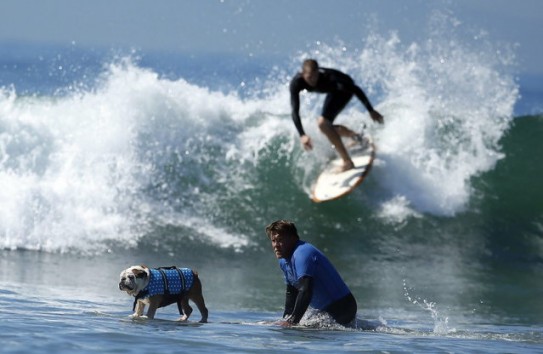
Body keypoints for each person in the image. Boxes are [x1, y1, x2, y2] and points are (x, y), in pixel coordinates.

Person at [290, 59, 384, 172]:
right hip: (333, 92)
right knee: (326, 127)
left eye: (315, 76)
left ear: (318, 73)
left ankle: (347, 162)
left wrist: (371, 110)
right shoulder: (296, 83)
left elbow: (355, 89)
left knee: (323, 124)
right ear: (302, 74)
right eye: (309, 77)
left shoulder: (329, 78)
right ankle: (356, 137)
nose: (313, 81)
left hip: (345, 90)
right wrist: (302, 135)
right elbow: (295, 111)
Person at [265, 220, 357, 326]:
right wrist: (286, 318)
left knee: (305, 328)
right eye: (273, 240)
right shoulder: (284, 259)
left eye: (280, 240)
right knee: (286, 325)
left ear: (293, 238)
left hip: (343, 307)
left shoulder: (302, 254)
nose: (276, 245)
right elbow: (291, 291)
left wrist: (292, 321)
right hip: (324, 310)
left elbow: (305, 290)